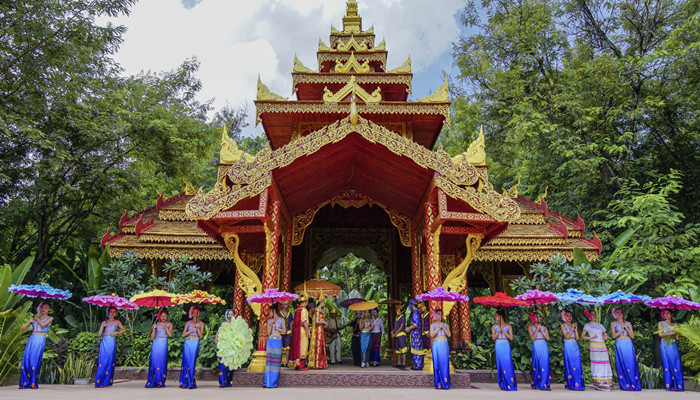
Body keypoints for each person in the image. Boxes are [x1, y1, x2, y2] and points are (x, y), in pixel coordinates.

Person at [19, 302, 53, 389]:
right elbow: (22, 329)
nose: (43, 309)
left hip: (40, 338)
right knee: (27, 359)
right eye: (42, 307)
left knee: (35, 359)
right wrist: (29, 322)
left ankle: (33, 382)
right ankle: (25, 382)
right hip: (32, 338)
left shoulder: (50, 318)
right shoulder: (35, 318)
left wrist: (37, 318)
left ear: (49, 309)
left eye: (46, 308)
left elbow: (43, 325)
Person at [581, 309, 613, 391]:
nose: (594, 316)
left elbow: (606, 335)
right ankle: (597, 383)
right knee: (596, 364)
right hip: (594, 345)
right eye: (592, 314)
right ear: (589, 316)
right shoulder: (587, 325)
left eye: (595, 314)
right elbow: (582, 336)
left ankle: (606, 382)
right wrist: (590, 338)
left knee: (604, 363)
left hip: (602, 345)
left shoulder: (600, 325)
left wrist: (605, 337)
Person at [95, 306, 126, 387]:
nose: (112, 313)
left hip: (111, 341)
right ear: (108, 312)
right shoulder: (104, 322)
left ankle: (106, 381)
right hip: (104, 341)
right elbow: (99, 334)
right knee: (102, 361)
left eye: (114, 312)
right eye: (111, 311)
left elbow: (124, 330)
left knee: (109, 360)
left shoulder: (117, 322)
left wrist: (116, 333)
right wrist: (102, 326)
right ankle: (99, 381)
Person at [611, 307, 641, 391]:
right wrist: (621, 330)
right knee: (622, 363)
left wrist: (626, 327)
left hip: (628, 342)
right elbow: (613, 336)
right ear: (615, 314)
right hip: (619, 343)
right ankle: (625, 385)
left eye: (621, 312)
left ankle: (634, 383)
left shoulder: (628, 323)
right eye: (617, 312)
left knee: (631, 363)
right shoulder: (613, 323)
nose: (619, 314)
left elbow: (632, 336)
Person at [145, 308, 172, 388]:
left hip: (163, 342)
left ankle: (160, 381)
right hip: (156, 343)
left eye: (165, 316)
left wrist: (165, 327)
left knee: (161, 361)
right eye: (162, 316)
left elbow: (170, 335)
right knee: (154, 361)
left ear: (167, 316)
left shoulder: (169, 324)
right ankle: (153, 381)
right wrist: (154, 328)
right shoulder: (157, 323)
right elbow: (152, 337)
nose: (163, 317)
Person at [658, 308, 683, 391]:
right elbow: (661, 334)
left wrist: (678, 331)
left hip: (673, 344)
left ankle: (678, 385)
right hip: (664, 344)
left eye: (668, 313)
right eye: (664, 313)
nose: (666, 315)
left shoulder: (675, 325)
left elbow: (677, 338)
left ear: (672, 314)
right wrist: (672, 332)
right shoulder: (661, 323)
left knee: (676, 363)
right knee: (667, 363)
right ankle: (669, 385)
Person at [559, 309, 584, 391]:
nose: (569, 317)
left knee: (577, 364)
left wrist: (575, 329)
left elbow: (577, 337)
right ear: (564, 317)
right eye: (567, 316)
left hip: (575, 344)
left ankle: (578, 383)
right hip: (568, 344)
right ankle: (571, 383)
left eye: (570, 316)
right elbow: (567, 336)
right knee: (570, 364)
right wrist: (571, 328)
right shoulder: (563, 325)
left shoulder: (574, 325)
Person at [179, 305, 203, 389]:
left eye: (196, 313)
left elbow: (201, 336)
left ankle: (191, 382)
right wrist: (191, 330)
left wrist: (198, 329)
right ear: (191, 313)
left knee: (192, 362)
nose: (195, 314)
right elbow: (183, 334)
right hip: (188, 342)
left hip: (195, 342)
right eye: (193, 313)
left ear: (199, 313)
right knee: (186, 361)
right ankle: (184, 382)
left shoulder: (201, 323)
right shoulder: (188, 323)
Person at [492, 309, 517, 391]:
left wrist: (504, 331)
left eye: (496, 316)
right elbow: (493, 338)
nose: (495, 317)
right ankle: (502, 384)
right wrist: (498, 331)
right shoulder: (494, 326)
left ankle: (510, 383)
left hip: (506, 344)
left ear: (500, 316)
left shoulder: (509, 326)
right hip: (498, 344)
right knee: (500, 364)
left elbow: (511, 338)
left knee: (508, 363)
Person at [264, 303, 285, 388]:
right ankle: (267, 381)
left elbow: (284, 331)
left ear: (274, 311)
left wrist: (276, 328)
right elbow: (268, 333)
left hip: (278, 341)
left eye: (270, 311)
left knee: (276, 362)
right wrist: (271, 325)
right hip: (270, 341)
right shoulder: (269, 321)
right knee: (269, 361)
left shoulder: (281, 319)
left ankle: (274, 382)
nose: (269, 313)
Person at [528, 312, 550, 390]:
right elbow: (532, 338)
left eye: (539, 317)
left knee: (545, 363)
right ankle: (536, 383)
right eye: (536, 317)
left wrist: (542, 330)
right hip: (536, 344)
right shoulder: (530, 327)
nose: (538, 318)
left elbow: (548, 338)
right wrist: (537, 329)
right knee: (537, 364)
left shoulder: (544, 327)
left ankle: (545, 384)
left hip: (543, 344)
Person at [430, 309, 451, 390]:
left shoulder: (445, 325)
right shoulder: (433, 325)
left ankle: (445, 382)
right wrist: (439, 328)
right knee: (437, 364)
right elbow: (432, 334)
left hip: (444, 344)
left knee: (445, 364)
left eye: (441, 314)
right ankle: (438, 383)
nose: (440, 316)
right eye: (438, 314)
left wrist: (443, 327)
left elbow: (449, 334)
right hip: (437, 344)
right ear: (435, 315)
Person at [288, 293, 311, 370]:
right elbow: (304, 321)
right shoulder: (304, 310)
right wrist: (308, 331)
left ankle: (298, 364)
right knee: (303, 347)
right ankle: (301, 365)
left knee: (298, 346)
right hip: (302, 331)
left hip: (297, 331)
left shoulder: (297, 309)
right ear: (306, 301)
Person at [215, 309, 234, 388]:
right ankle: (222, 382)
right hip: (224, 346)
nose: (230, 316)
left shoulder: (236, 325)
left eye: (231, 314)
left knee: (230, 365)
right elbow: (218, 332)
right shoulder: (224, 324)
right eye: (228, 314)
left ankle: (228, 381)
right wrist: (216, 339)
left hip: (232, 347)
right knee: (223, 363)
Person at [310, 296, 328, 369]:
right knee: (318, 345)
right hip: (318, 330)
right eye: (323, 302)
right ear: (321, 302)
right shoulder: (317, 311)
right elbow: (317, 321)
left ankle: (321, 363)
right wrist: (323, 322)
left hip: (321, 329)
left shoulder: (320, 310)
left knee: (321, 345)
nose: (324, 304)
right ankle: (317, 363)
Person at [406, 300, 424, 370]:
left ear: (412, 305)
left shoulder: (415, 313)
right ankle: (416, 364)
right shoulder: (416, 312)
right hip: (415, 334)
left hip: (416, 334)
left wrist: (409, 328)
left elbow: (416, 324)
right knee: (415, 348)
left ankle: (418, 365)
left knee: (417, 348)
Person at [391, 303, 408, 368]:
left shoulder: (403, 317)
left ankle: (403, 363)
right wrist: (393, 332)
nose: (395, 311)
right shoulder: (396, 317)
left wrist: (395, 334)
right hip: (396, 335)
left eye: (396, 309)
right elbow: (396, 327)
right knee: (397, 349)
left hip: (401, 334)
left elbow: (401, 327)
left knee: (403, 348)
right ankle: (398, 362)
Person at [280, 302, 294, 366]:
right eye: (285, 304)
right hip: (281, 332)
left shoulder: (290, 314)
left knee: (288, 347)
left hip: (288, 332)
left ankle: (287, 362)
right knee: (281, 347)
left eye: (287, 304)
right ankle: (280, 362)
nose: (286, 305)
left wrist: (291, 331)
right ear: (282, 305)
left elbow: (291, 323)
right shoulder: (279, 314)